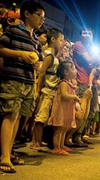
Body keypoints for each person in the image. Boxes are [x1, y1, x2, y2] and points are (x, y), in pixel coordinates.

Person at [0, 1, 45, 173]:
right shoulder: (14, 31)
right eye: (39, 16)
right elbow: (1, 48)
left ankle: (8, 152)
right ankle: (4, 157)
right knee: (10, 115)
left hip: (27, 82)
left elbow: (40, 64)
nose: (42, 20)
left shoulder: (36, 40)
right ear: (27, 14)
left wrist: (37, 65)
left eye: (43, 17)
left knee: (18, 117)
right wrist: (21, 54)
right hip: (13, 79)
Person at [31, 28, 64, 150]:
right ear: (53, 39)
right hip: (46, 90)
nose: (61, 42)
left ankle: (37, 141)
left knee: (43, 117)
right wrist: (38, 90)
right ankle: (36, 142)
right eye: (60, 40)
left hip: (50, 90)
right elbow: (42, 71)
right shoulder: (49, 55)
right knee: (41, 117)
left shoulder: (53, 55)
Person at [47, 61, 80, 155]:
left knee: (64, 128)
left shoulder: (69, 83)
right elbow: (65, 95)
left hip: (66, 109)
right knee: (59, 129)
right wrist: (74, 97)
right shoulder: (63, 83)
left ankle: (61, 146)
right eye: (73, 69)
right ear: (66, 72)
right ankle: (56, 147)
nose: (75, 71)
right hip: (61, 109)